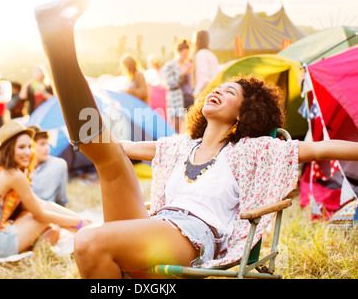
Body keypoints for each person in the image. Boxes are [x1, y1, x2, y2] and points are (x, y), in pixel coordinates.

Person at [62, 74, 358, 279]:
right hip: (155, 224)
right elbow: (117, 148)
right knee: (105, 153)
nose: (218, 91)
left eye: (230, 92)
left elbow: (321, 148)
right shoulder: (180, 146)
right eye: (217, 88)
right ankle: (59, 45)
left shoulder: (249, 151)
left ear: (244, 114)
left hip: (192, 236)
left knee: (88, 241)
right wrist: (85, 136)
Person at [0, 120, 90, 260]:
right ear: (9, 149)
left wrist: (76, 220)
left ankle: (85, 228)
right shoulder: (14, 175)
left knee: (53, 229)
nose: (28, 152)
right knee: (42, 217)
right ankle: (87, 230)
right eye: (21, 147)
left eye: (29, 146)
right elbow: (41, 215)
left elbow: (41, 204)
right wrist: (79, 223)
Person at [29, 125, 69, 206]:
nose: (47, 148)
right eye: (42, 144)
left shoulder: (58, 165)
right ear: (31, 146)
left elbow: (61, 199)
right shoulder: (20, 168)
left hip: (49, 210)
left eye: (47, 144)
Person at [162, 39, 194, 132]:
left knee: (186, 128)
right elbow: (170, 84)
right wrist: (183, 73)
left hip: (188, 99)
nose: (185, 56)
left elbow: (190, 84)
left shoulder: (187, 64)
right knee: (176, 128)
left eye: (187, 53)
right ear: (178, 52)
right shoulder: (170, 65)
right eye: (184, 53)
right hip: (176, 100)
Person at [192, 30, 219, 97]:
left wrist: (196, 92)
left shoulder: (200, 54)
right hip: (213, 89)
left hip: (204, 92)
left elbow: (204, 77)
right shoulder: (211, 54)